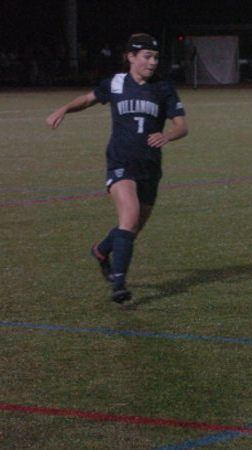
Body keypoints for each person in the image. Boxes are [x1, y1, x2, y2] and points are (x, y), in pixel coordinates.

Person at [46, 33, 188, 303]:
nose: (153, 62)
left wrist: (168, 135)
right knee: (130, 218)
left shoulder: (163, 87)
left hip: (150, 167)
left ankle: (101, 250)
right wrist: (64, 109)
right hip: (120, 163)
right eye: (147, 56)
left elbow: (182, 126)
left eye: (156, 57)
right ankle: (119, 285)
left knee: (132, 228)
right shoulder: (116, 83)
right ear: (131, 57)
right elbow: (87, 99)